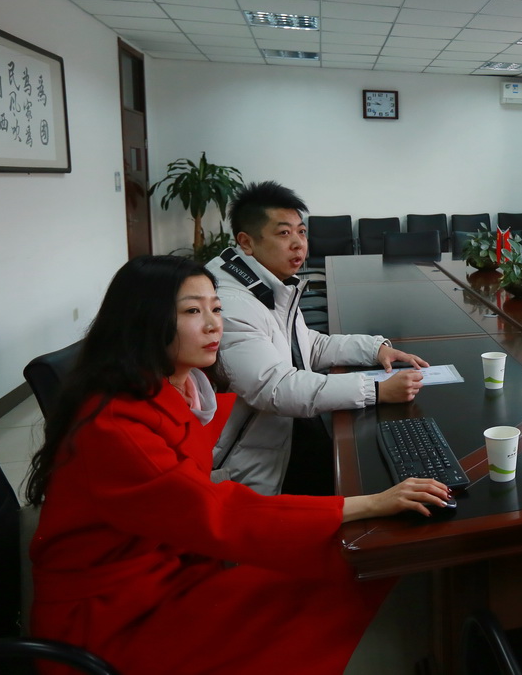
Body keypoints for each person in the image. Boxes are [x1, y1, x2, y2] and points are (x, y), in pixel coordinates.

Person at [26, 255, 452, 674]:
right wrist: (369, 503)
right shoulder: (115, 427)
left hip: (169, 565)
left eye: (216, 309)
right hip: (114, 619)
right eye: (193, 311)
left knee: (344, 563)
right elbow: (216, 512)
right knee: (347, 573)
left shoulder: (173, 387)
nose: (215, 325)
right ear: (143, 321)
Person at [207, 181, 430, 496]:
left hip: (283, 437)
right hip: (251, 468)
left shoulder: (263, 283)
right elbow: (275, 388)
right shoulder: (231, 304)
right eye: (284, 233)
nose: (298, 244)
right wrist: (376, 390)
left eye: (301, 232)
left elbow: (305, 346)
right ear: (247, 242)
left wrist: (374, 349)